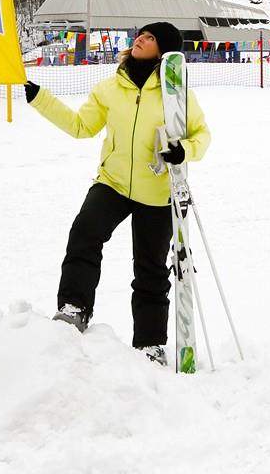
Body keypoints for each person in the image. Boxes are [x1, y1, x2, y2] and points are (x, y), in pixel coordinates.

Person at [24, 21, 211, 366]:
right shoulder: (111, 87)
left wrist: (183, 149)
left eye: (150, 37)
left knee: (151, 269)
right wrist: (39, 97)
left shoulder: (178, 93)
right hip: (112, 183)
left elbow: (202, 135)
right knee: (84, 234)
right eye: (141, 34)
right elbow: (82, 126)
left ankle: (150, 344)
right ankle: (74, 308)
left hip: (156, 192)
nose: (140, 38)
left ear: (165, 50)